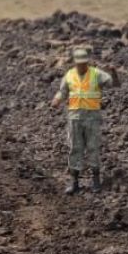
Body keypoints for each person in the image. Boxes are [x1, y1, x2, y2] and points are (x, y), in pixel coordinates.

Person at [49, 47, 114, 194]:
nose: (82, 66)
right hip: (75, 118)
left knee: (93, 147)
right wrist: (56, 99)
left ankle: (96, 180)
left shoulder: (96, 74)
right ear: (75, 63)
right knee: (75, 148)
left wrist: (114, 73)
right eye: (79, 63)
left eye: (84, 63)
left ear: (87, 62)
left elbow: (113, 84)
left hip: (92, 118)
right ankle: (74, 182)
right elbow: (63, 91)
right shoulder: (69, 75)